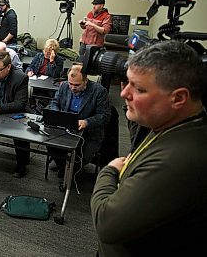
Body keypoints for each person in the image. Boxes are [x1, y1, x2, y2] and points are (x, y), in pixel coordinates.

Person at [91, 41, 207, 256]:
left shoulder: (178, 161)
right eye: (126, 83)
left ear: (179, 98)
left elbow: (106, 223)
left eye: (139, 89)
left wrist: (109, 172)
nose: (124, 93)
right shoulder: (169, 124)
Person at [48, 64, 110, 176]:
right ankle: (64, 168)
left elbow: (104, 116)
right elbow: (54, 103)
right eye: (70, 84)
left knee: (82, 156)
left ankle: (70, 172)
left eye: (77, 85)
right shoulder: (64, 86)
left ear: (86, 80)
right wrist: (57, 114)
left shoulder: (99, 91)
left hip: (89, 133)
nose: (72, 88)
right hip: (66, 128)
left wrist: (86, 122)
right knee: (49, 142)